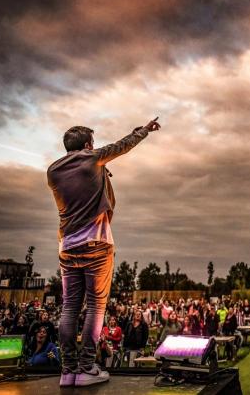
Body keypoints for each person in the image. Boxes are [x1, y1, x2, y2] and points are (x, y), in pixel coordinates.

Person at [47, 117, 160, 387]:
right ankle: (86, 368)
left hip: (67, 246)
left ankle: (68, 371)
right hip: (96, 243)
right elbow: (123, 145)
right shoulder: (92, 158)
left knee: (70, 308)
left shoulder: (52, 171)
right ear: (87, 145)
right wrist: (143, 130)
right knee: (96, 307)